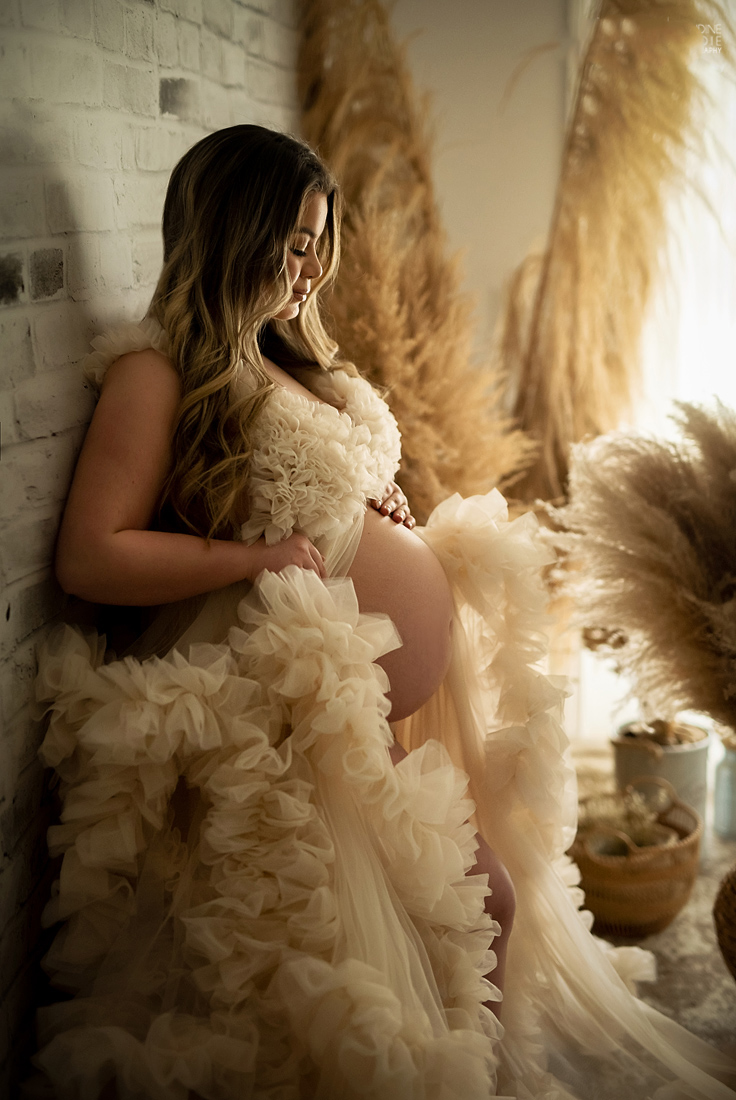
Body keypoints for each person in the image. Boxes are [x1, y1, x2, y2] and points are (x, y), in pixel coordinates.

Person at [33, 126, 736, 1100]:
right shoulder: (157, 371)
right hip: (292, 725)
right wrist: (259, 554)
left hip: (364, 709)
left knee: (484, 901)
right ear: (228, 229)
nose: (309, 265)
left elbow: (306, 492)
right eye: (289, 240)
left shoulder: (285, 352)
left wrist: (373, 504)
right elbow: (91, 552)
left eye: (319, 240)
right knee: (398, 949)